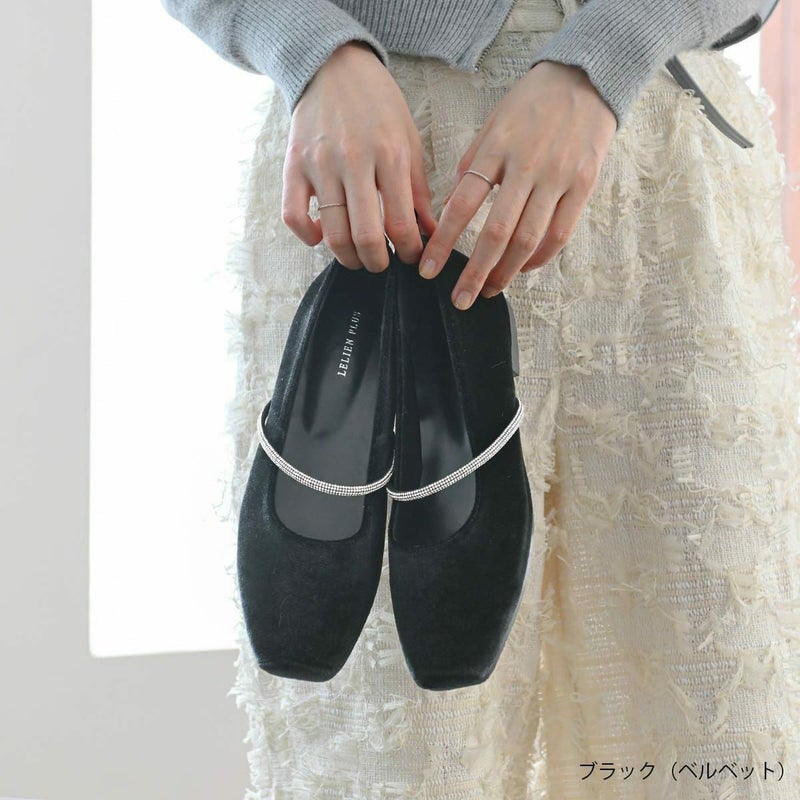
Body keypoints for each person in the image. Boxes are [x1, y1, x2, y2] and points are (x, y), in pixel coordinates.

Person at [162, 0, 800, 797]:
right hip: (370, 167)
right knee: (400, 763)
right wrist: (308, 49)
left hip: (665, 177)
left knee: (708, 730)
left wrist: (608, 53)